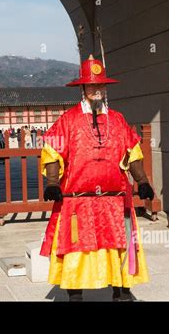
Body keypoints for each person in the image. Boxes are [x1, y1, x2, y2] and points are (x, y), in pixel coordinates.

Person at [39, 54, 154, 302]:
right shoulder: (67, 121)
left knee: (119, 244)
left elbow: (132, 151)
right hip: (77, 200)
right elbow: (52, 151)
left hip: (114, 200)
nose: (97, 89)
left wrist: (142, 180)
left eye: (100, 85)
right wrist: (51, 183)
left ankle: (121, 290)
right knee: (77, 246)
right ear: (83, 88)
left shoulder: (118, 119)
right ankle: (75, 293)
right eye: (92, 85)